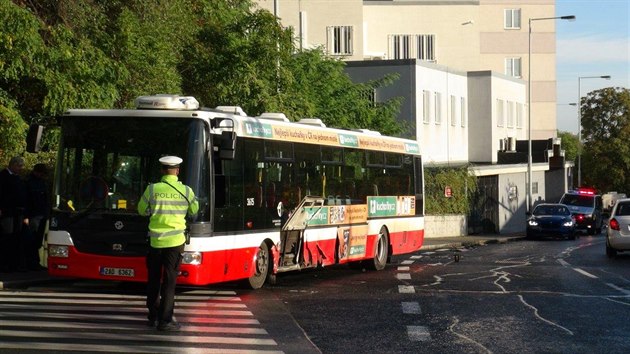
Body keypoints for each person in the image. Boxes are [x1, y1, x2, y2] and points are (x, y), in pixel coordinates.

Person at [137, 156, 198, 332]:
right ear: (177, 170)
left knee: (154, 279)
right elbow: (194, 211)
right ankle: (165, 320)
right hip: (175, 242)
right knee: (170, 281)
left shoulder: (152, 189)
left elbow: (141, 210)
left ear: (162, 170)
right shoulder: (187, 191)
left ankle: (152, 316)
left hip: (155, 242)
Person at [0, 156, 29, 272]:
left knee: (16, 237)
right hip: (8, 211)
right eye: (19, 166)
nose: (21, 169)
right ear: (13, 165)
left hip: (17, 211)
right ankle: (5, 263)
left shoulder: (17, 178)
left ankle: (13, 263)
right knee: (7, 236)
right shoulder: (3, 177)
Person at [25, 163, 50, 270]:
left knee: (36, 239)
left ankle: (34, 262)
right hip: (35, 214)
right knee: (33, 239)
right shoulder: (31, 183)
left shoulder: (36, 182)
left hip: (39, 214)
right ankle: (32, 262)